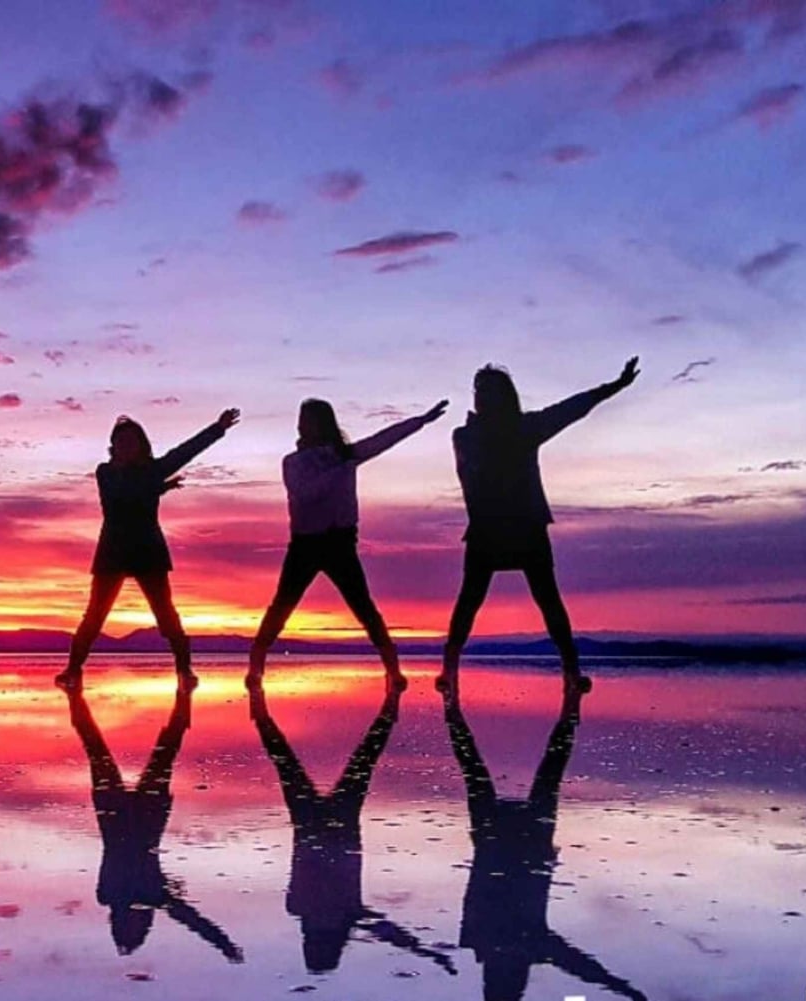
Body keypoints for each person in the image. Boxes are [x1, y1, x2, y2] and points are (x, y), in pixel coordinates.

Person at [439, 359, 639, 695]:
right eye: (479, 390)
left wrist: (615, 386)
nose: (482, 397)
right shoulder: (465, 436)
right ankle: (449, 669)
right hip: (487, 529)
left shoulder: (525, 428)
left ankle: (572, 671)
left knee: (547, 599)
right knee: (470, 601)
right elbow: (471, 475)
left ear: (506, 395)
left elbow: (572, 408)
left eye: (490, 390)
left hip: (526, 526)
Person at [442, 683, 646, 1001]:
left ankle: (454, 709)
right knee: (507, 770)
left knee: (521, 770)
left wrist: (619, 987)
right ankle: (455, 709)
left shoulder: (502, 942)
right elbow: (578, 965)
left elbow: (576, 964)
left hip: (507, 842)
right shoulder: (501, 942)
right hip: (517, 843)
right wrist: (619, 987)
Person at [250, 684, 454, 976]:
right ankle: (260, 711)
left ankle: (389, 706)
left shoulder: (343, 912)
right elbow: (390, 933)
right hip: (318, 828)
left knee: (357, 761)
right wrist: (425, 952)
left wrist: (428, 952)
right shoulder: (300, 908)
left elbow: (389, 933)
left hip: (329, 829)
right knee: (291, 763)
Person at [246, 398, 448, 690]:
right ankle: (256, 667)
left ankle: (392, 669)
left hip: (340, 543)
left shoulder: (345, 454)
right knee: (282, 606)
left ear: (324, 423)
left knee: (363, 607)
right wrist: (340, 469)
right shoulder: (294, 462)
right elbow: (304, 494)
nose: (303, 424)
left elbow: (383, 440)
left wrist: (420, 421)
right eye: (302, 419)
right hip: (305, 544)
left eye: (310, 419)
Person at [56, 409, 240, 690]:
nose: (126, 446)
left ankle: (184, 671)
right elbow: (123, 497)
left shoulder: (152, 471)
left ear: (142, 445)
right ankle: (72, 670)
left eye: (132, 441)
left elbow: (185, 452)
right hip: (113, 552)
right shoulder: (106, 472)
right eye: (121, 441)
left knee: (166, 615)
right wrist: (158, 487)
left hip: (147, 550)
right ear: (113, 446)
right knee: (94, 616)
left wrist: (217, 428)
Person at [66, 685, 243, 963]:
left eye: (136, 926)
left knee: (107, 750)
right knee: (141, 751)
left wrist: (224, 944)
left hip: (125, 818)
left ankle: (76, 696)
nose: (142, 922)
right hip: (136, 818)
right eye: (141, 927)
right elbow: (192, 920)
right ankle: (183, 697)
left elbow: (190, 918)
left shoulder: (130, 895)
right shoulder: (124, 895)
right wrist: (223, 943)